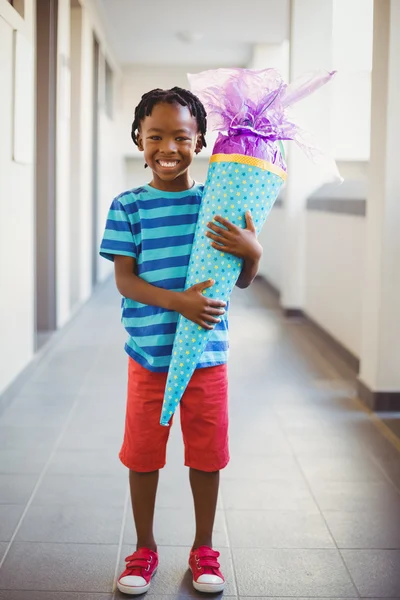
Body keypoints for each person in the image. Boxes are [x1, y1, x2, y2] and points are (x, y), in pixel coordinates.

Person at [100, 87, 262, 596]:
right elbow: (125, 281)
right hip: (149, 358)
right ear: (138, 140)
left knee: (207, 456)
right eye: (155, 136)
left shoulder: (215, 205)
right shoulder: (128, 206)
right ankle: (144, 548)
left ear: (201, 142)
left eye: (181, 137)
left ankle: (204, 548)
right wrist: (180, 302)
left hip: (207, 361)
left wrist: (252, 252)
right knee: (143, 456)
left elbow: (239, 279)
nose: (167, 148)